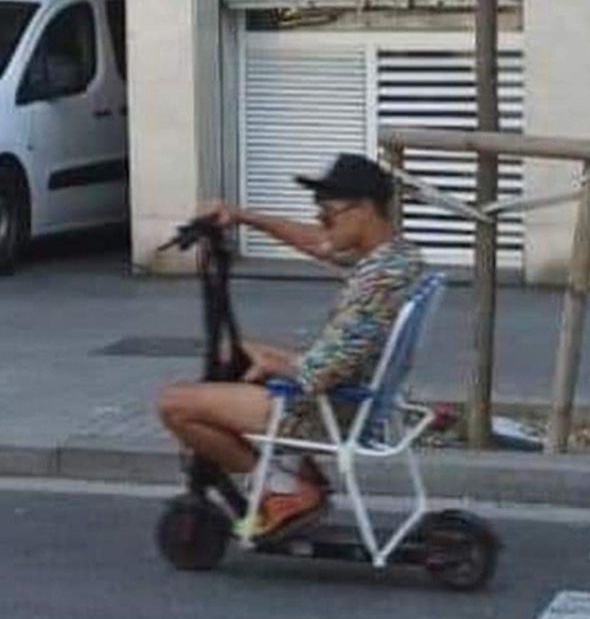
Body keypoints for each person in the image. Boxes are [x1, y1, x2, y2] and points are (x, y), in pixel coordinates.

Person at [157, 154, 423, 539]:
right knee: (234, 352)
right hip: (355, 394)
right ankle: (291, 471)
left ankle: (285, 487)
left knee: (175, 404)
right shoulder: (396, 258)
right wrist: (242, 216)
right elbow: (318, 243)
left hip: (327, 408)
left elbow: (322, 372)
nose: (322, 223)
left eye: (328, 215)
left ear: (363, 210)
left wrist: (276, 361)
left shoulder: (376, 283)